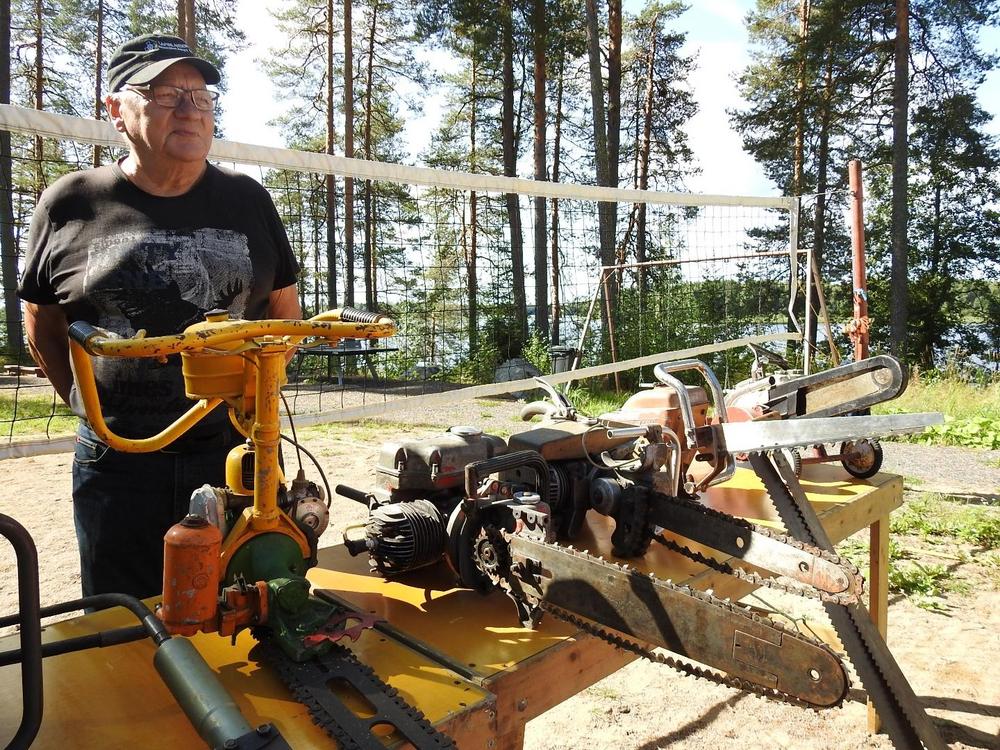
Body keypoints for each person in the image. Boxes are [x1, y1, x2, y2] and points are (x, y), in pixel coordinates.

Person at [17, 33, 302, 601]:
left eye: (201, 97)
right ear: (116, 110)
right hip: (116, 462)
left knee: (245, 610)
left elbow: (283, 312)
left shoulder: (248, 199)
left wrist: (254, 397)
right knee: (122, 619)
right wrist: (87, 405)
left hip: (233, 453)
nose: (189, 110)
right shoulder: (71, 202)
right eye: (165, 94)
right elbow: (43, 324)